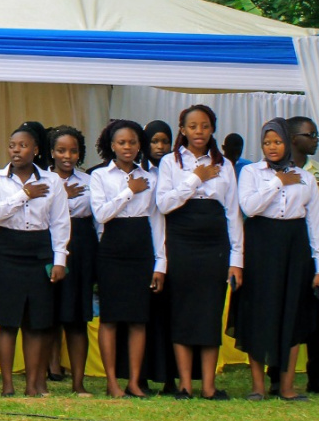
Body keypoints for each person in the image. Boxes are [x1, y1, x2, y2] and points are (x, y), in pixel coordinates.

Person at [230, 118, 319, 402]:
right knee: (258, 312)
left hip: (294, 246)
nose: (272, 147)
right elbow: (248, 207)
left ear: (287, 142)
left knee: (292, 313)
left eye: (277, 142)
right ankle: (258, 386)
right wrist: (277, 182)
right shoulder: (251, 172)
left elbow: (316, 223)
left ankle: (287, 387)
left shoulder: (306, 177)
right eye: (266, 142)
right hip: (261, 244)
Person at [155, 104, 242, 400]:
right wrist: (196, 178)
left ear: (212, 128)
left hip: (214, 245)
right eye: (193, 126)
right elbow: (165, 204)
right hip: (181, 242)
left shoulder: (226, 165)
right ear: (182, 129)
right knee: (181, 311)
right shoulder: (170, 163)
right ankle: (184, 385)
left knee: (209, 312)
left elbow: (233, 214)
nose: (199, 132)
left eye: (205, 126)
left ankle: (208, 386)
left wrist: (236, 259)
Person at [0, 121, 69, 397]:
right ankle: (8, 384)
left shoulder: (51, 180)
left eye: (22, 146)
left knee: (37, 323)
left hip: (40, 249)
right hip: (7, 249)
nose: (16, 151)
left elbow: (60, 222)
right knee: (8, 322)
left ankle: (34, 384)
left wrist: (60, 260)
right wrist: (23, 195)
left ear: (35, 150)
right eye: (12, 146)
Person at [268, 116, 319, 396]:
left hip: (318, 246)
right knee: (281, 310)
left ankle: (316, 375)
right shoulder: (270, 169)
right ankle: (276, 374)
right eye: (311, 134)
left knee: (316, 315)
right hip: (287, 244)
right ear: (292, 138)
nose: (315, 140)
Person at [90, 119, 164, 398]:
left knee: (138, 319)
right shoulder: (100, 176)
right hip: (112, 246)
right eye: (122, 142)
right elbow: (101, 214)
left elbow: (157, 222)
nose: (128, 147)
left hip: (142, 246)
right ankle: (112, 382)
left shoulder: (152, 177)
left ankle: (134, 381)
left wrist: (160, 263)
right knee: (110, 318)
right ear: (112, 146)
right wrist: (129, 191)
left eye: (133, 142)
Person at [45, 126, 94, 396]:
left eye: (73, 150)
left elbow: (97, 213)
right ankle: (43, 376)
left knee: (77, 318)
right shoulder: (42, 179)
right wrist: (63, 195)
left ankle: (78, 382)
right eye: (61, 150)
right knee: (48, 314)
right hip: (50, 245)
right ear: (52, 152)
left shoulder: (89, 180)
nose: (67, 155)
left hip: (82, 246)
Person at [140, 118, 178, 395]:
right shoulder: (139, 174)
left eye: (165, 141)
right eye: (154, 141)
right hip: (143, 253)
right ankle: (139, 375)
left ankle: (169, 377)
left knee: (170, 318)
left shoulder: (176, 171)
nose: (160, 146)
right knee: (143, 318)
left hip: (174, 251)